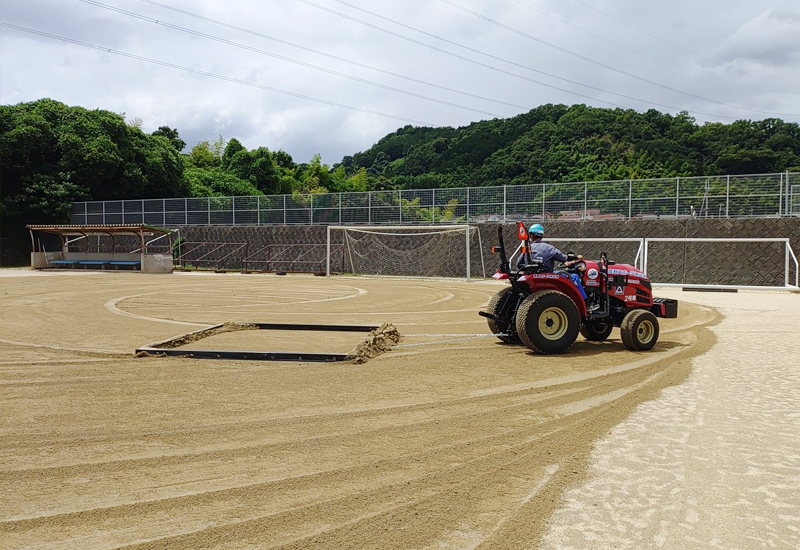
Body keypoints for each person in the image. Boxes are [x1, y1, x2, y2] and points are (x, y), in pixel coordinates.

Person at [516, 223, 598, 312]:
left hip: (533, 276)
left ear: (531, 235)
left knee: (558, 272)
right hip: (547, 276)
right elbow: (564, 258)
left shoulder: (527, 248)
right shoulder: (549, 248)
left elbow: (519, 264)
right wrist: (577, 257)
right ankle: (586, 303)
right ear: (542, 235)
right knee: (574, 277)